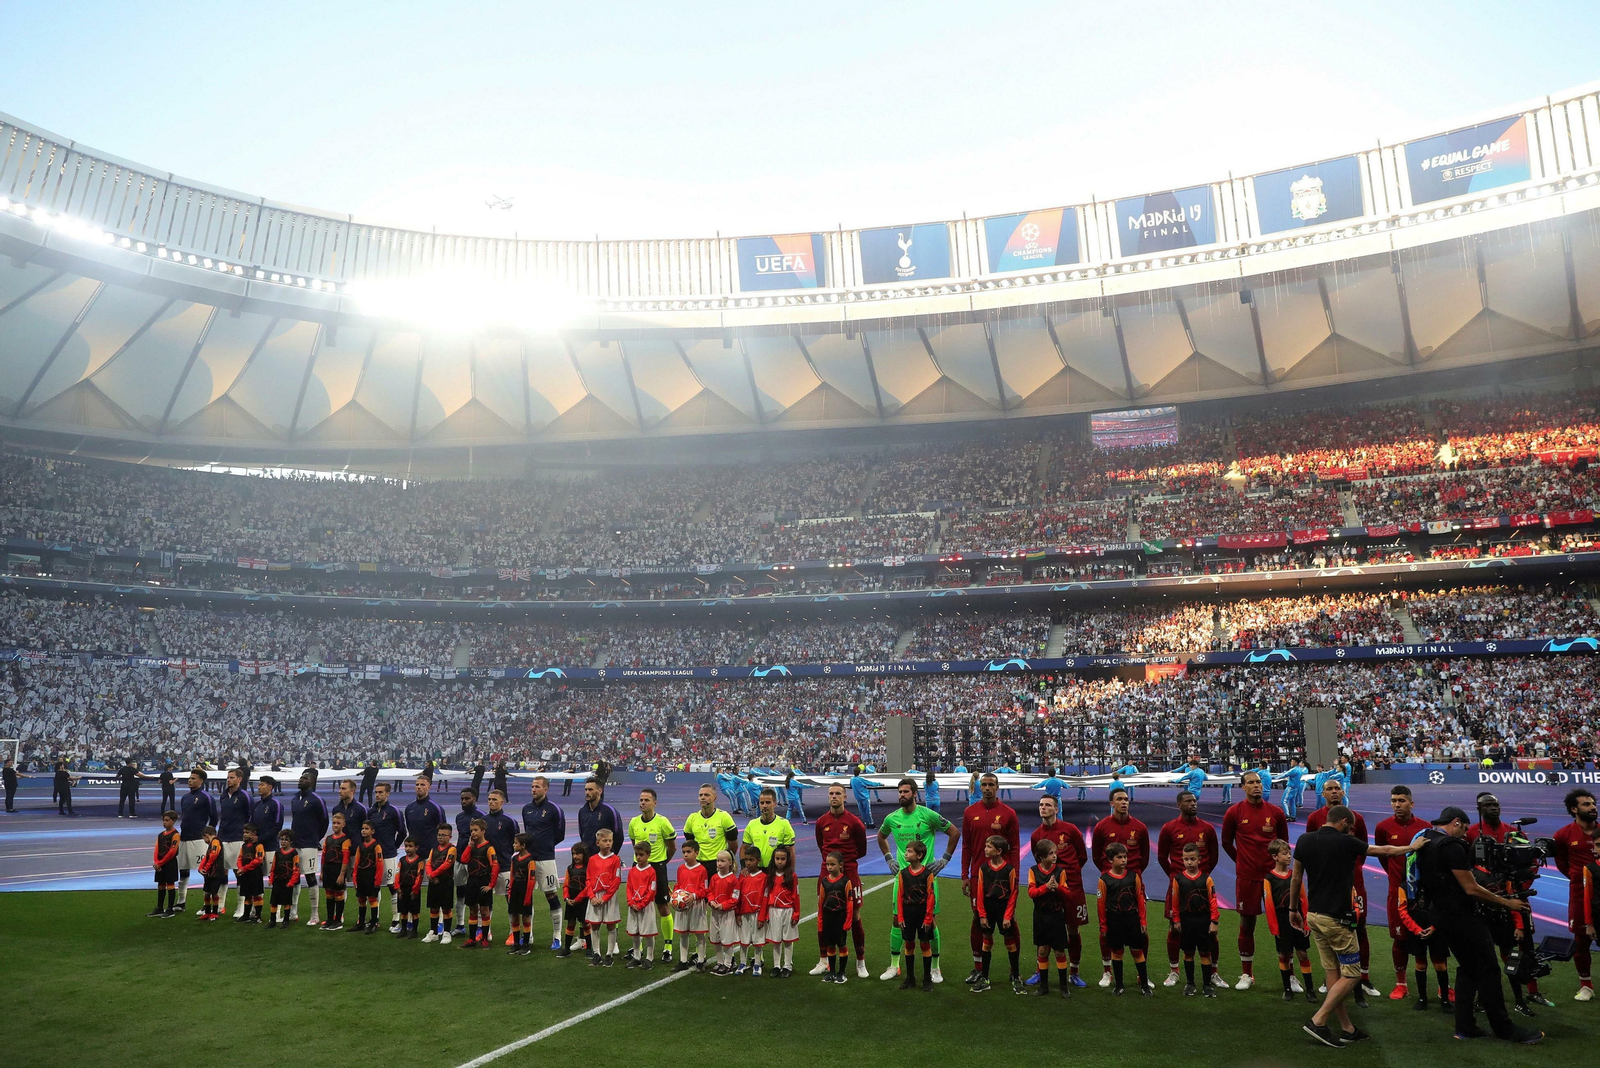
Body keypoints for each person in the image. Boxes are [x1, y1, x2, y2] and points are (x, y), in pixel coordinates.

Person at [1290, 804, 1429, 1048]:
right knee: (1352, 974)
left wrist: (1293, 910)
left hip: (1314, 915)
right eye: (1350, 826)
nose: (1352, 830)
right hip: (1337, 920)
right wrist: (1412, 847)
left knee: (1333, 972)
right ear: (1343, 822)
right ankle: (1319, 1020)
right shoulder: (1347, 841)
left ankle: (1347, 1028)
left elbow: (1296, 877)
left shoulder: (1303, 840)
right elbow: (1384, 850)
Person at [1413, 806, 1543, 1044]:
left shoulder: (1427, 839)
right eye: (1463, 829)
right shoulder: (1451, 846)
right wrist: (1507, 903)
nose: (1464, 835)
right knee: (1489, 969)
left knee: (1468, 969)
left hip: (1439, 913)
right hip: (1461, 916)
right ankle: (1504, 1028)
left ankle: (1465, 1026)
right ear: (1456, 822)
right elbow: (1471, 888)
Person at [1305, 777, 1379, 1003]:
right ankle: (1333, 977)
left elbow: (1363, 849)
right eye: (1330, 789)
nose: (1334, 792)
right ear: (1323, 793)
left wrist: (1351, 869)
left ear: (1343, 792)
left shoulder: (1358, 819)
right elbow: (1310, 849)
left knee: (1359, 927)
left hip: (1354, 882)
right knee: (1329, 930)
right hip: (1326, 884)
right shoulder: (1314, 819)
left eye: (1338, 788)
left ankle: (1362, 978)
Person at [1374, 784, 1448, 1007]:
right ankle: (1401, 984)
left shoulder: (1425, 828)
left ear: (1411, 803)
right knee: (1400, 938)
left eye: (1402, 800)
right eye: (1394, 800)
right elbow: (1383, 857)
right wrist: (1399, 881)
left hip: (1424, 894)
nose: (1397, 804)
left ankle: (1442, 987)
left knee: (1435, 938)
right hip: (1397, 892)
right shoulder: (1383, 827)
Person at [879, 777, 959, 983]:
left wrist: (944, 860)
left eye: (906, 792)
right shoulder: (892, 818)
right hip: (902, 880)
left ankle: (935, 967)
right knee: (897, 921)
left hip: (926, 879)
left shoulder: (928, 815)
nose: (902, 795)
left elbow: (954, 832)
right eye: (899, 792)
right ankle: (894, 966)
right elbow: (881, 836)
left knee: (930, 923)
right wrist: (889, 859)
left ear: (915, 794)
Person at [1220, 770, 1286, 991]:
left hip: (1273, 878)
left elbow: (1283, 844)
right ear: (1243, 787)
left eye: (1258, 782)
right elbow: (1227, 842)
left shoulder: (1275, 813)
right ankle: (1247, 974)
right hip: (1247, 877)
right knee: (1247, 923)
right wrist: (1241, 862)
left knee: (1284, 925)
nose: (1256, 785)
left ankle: (1290, 975)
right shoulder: (1234, 812)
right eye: (1251, 782)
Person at [1158, 789, 1221, 988]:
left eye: (1194, 800)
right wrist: (1176, 877)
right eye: (1188, 801)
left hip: (1202, 888)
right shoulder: (1169, 828)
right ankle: (1174, 970)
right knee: (1174, 928)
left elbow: (1213, 856)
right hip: (1178, 887)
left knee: (1210, 930)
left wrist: (1201, 879)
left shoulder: (1207, 828)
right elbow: (1162, 857)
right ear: (1179, 805)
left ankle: (1213, 972)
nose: (1193, 804)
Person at [1027, 794, 1088, 988]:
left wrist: (1070, 876)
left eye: (1047, 805)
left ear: (1056, 809)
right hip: (1047, 889)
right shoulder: (1036, 835)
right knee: (1044, 929)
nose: (1043, 808)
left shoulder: (1070, 830)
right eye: (1040, 804)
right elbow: (1037, 862)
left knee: (1072, 929)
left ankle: (1074, 972)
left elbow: (1082, 856)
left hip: (1071, 888)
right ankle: (1040, 970)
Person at [1092, 786, 1149, 988]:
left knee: (1142, 928)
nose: (1124, 802)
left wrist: (1132, 877)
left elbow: (1144, 858)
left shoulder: (1140, 827)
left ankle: (1143, 975)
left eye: (1126, 799)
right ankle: (1107, 971)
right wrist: (1110, 876)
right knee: (1106, 929)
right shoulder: (1102, 827)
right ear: (1111, 803)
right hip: (1110, 886)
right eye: (1119, 799)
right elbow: (1097, 857)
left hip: (1133, 884)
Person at [812, 783, 869, 978]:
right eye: (831, 794)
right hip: (826, 874)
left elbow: (862, 850)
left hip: (850, 873)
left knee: (854, 917)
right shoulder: (821, 822)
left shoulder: (854, 823)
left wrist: (845, 864)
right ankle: (823, 961)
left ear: (845, 797)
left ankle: (860, 962)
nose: (834, 796)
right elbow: (822, 846)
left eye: (838, 793)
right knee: (824, 915)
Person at [1553, 787, 1597, 1001]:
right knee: (1581, 940)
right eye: (1586, 804)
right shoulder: (1563, 835)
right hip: (1580, 895)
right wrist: (1577, 877)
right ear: (1574, 809)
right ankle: (1586, 985)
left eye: (1593, 803)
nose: (1593, 807)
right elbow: (1561, 862)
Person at [1263, 838, 1316, 1003]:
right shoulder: (1269, 879)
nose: (1288, 857)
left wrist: (1306, 922)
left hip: (1298, 918)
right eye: (1284, 854)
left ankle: (1310, 989)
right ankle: (1287, 988)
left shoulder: (1295, 875)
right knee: (1284, 954)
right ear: (1275, 857)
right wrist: (1275, 928)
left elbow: (1304, 899)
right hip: (1281, 920)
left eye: (1289, 853)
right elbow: (1269, 904)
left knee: (1302, 953)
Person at [628, 787, 678, 961]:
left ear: (655, 803)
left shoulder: (663, 822)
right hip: (638, 869)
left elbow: (672, 847)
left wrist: (662, 863)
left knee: (663, 906)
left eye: (646, 800)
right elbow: (636, 846)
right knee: (637, 905)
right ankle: (638, 947)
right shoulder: (634, 822)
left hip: (657, 867)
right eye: (641, 800)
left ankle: (668, 946)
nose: (642, 803)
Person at [1097, 842, 1151, 996]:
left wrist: (1143, 921)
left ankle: (1145, 984)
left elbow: (1140, 900)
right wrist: (1103, 926)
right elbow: (1101, 905)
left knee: (1137, 950)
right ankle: (1119, 985)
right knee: (1117, 951)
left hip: (1132, 919)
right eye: (1119, 857)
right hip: (1114, 920)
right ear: (1110, 860)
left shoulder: (1134, 877)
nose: (1123, 860)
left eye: (1125, 857)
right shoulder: (1104, 880)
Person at [518, 775, 566, 949]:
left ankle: (557, 936)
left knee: (551, 896)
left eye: (537, 786)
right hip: (528, 860)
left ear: (545, 789)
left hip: (546, 859)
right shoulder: (527, 809)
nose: (533, 789)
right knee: (526, 898)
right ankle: (528, 934)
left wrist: (546, 846)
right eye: (532, 786)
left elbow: (560, 834)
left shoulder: (554, 809)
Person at [1172, 842, 1220, 997]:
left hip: (1203, 921)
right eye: (1186, 859)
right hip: (1186, 921)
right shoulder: (1178, 879)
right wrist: (1177, 920)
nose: (1189, 862)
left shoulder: (1207, 879)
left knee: (1205, 953)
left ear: (1199, 860)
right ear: (1182, 860)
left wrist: (1214, 921)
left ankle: (1207, 985)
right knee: (1188, 953)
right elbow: (1175, 902)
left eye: (1192, 859)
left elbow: (1213, 901)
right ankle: (1190, 984)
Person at [1026, 838, 1073, 998]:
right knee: (1043, 950)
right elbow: (1031, 893)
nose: (1054, 856)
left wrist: (1058, 887)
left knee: (1059, 951)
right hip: (1040, 916)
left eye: (1055, 853)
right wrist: (1046, 888)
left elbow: (1068, 894)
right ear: (1041, 857)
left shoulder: (1060, 872)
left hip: (1056, 916)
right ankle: (1044, 986)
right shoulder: (1033, 871)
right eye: (1051, 853)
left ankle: (1064, 986)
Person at [401, 777, 445, 933]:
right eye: (417, 785)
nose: (419, 787)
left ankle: (439, 922)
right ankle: (412, 921)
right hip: (414, 857)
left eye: (422, 785)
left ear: (429, 787)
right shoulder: (409, 808)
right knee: (412, 889)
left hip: (432, 855)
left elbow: (443, 832)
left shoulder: (435, 808)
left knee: (435, 890)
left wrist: (439, 854)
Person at [894, 840, 938, 992]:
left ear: (919, 856)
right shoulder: (903, 873)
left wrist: (928, 918)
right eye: (906, 851)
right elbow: (899, 896)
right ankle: (910, 977)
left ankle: (927, 978)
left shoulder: (927, 874)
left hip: (922, 913)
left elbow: (931, 897)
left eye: (909, 851)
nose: (906, 853)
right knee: (909, 944)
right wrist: (900, 917)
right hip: (908, 913)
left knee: (924, 944)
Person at [288, 770, 328, 924]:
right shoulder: (294, 799)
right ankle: (293, 911)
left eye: (304, 778)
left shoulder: (317, 800)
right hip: (295, 843)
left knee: (310, 877)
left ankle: (315, 914)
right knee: (294, 877)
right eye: (300, 777)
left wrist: (315, 838)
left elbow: (324, 821)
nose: (301, 779)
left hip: (309, 844)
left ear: (311, 781)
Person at [365, 781, 404, 932]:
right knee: (374, 886)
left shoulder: (394, 811)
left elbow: (402, 832)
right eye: (376, 792)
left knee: (392, 886)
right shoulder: (371, 811)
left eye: (381, 792)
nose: (377, 795)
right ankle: (375, 918)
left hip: (388, 855)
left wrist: (393, 847)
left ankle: (396, 918)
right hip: (373, 855)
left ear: (388, 793)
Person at [483, 789, 519, 945]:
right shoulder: (482, 820)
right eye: (489, 799)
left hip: (504, 866)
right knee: (484, 900)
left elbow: (515, 843)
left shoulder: (509, 821)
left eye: (494, 799)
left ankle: (513, 932)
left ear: (502, 802)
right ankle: (485, 931)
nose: (491, 802)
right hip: (486, 867)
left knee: (510, 900)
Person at [584, 827, 623, 965]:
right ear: (597, 843)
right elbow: (588, 879)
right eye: (605, 840)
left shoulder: (615, 860)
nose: (608, 843)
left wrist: (605, 898)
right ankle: (596, 953)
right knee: (594, 926)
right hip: (595, 896)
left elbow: (616, 880)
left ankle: (609, 954)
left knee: (611, 925)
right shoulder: (593, 859)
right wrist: (592, 896)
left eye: (610, 841)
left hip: (609, 897)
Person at [459, 817, 500, 949]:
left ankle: (484, 938)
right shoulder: (472, 846)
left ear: (483, 831)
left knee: (484, 910)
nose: (473, 833)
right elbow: (464, 859)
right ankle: (471, 939)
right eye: (471, 830)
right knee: (472, 910)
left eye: (476, 830)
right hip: (472, 881)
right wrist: (469, 846)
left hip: (483, 881)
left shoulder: (489, 848)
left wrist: (491, 885)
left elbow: (495, 866)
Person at [215, 769, 251, 918]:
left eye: (231, 777)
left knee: (239, 872)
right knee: (221, 872)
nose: (228, 780)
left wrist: (246, 836)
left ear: (239, 779)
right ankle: (220, 905)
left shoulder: (245, 796)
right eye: (227, 777)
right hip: (223, 837)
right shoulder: (224, 795)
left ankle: (241, 905)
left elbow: (250, 816)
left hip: (238, 838)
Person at [761, 843, 800, 977]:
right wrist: (764, 914)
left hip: (788, 911)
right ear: (774, 859)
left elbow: (796, 895)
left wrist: (796, 914)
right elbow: (766, 896)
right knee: (775, 940)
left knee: (788, 940)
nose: (780, 861)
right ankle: (776, 966)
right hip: (774, 911)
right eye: (777, 859)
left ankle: (787, 965)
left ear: (787, 860)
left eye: (782, 859)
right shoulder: (770, 876)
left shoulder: (792, 876)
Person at [671, 839, 710, 971]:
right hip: (683, 907)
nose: (686, 855)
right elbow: (678, 885)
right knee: (683, 933)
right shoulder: (681, 868)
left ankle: (700, 961)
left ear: (696, 853)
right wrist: (675, 896)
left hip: (696, 905)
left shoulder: (702, 870)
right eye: (683, 852)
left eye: (689, 852)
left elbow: (704, 889)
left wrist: (693, 896)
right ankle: (683, 961)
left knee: (699, 934)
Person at [625, 840, 660, 969]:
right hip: (633, 906)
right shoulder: (632, 870)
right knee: (635, 932)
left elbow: (652, 890)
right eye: (636, 855)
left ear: (648, 855)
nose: (638, 857)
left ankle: (649, 957)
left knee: (648, 932)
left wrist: (642, 904)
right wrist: (630, 902)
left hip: (646, 906)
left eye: (641, 854)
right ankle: (637, 956)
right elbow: (629, 887)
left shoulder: (651, 871)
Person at [706, 848, 741, 976]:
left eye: (722, 861)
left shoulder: (733, 880)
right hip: (715, 913)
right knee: (716, 938)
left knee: (727, 939)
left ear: (730, 863)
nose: (719, 863)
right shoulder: (714, 878)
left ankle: (728, 963)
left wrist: (723, 905)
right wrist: (711, 901)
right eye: (717, 861)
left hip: (727, 914)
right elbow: (709, 892)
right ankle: (720, 962)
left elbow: (735, 898)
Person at [743, 787, 796, 869]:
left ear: (775, 803)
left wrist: (791, 873)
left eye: (768, 802)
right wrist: (743, 867)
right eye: (762, 803)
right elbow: (744, 848)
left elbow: (790, 852)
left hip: (776, 871)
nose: (764, 806)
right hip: (758, 872)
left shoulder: (784, 824)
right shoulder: (752, 824)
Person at [317, 811, 354, 930]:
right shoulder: (327, 839)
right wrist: (322, 871)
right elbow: (323, 856)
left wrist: (342, 874)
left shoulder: (345, 840)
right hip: (328, 868)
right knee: (329, 895)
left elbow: (345, 859)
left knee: (338, 895)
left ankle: (338, 920)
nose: (335, 825)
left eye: (338, 823)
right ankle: (329, 919)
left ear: (343, 824)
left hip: (338, 869)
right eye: (334, 823)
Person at [735, 844, 767, 975]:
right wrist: (737, 913)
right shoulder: (742, 876)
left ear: (758, 860)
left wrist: (762, 917)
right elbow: (738, 895)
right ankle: (742, 963)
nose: (748, 863)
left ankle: (757, 964)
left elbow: (765, 898)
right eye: (746, 860)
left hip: (757, 913)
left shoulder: (764, 877)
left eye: (751, 860)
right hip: (744, 913)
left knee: (758, 940)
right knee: (744, 939)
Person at [422, 824, 457, 943]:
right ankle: (433, 932)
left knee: (446, 908)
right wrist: (430, 875)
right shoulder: (434, 849)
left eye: (443, 835)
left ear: (450, 836)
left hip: (446, 882)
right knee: (433, 907)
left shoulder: (452, 849)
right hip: (433, 882)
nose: (440, 837)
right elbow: (428, 863)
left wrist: (433, 874)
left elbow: (447, 864)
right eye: (439, 835)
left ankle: (447, 933)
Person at [555, 841, 589, 957]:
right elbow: (566, 885)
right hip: (571, 900)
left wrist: (579, 898)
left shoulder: (588, 868)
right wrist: (566, 898)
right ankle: (566, 948)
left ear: (584, 854)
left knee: (585, 923)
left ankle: (589, 948)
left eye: (578, 854)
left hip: (583, 901)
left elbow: (588, 886)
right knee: (570, 923)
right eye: (573, 854)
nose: (575, 856)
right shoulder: (570, 868)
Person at [505, 832, 537, 956]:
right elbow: (512, 875)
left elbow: (531, 880)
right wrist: (510, 890)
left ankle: (526, 944)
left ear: (523, 845)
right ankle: (516, 943)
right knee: (514, 916)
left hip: (525, 891)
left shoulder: (530, 860)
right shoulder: (514, 858)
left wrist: (528, 897)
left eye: (516, 843)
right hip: (515, 890)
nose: (513, 845)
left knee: (525, 917)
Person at [576, 778, 623, 858]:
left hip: (605, 858)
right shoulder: (582, 811)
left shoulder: (609, 811)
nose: (587, 792)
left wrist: (611, 855)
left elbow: (618, 836)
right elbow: (582, 834)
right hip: (588, 859)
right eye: (586, 790)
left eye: (590, 790)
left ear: (600, 791)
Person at [351, 820, 384, 934]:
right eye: (362, 829)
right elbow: (356, 863)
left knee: (372, 899)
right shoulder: (360, 846)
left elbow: (379, 865)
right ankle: (361, 922)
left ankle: (374, 923)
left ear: (372, 831)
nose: (364, 831)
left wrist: (377, 881)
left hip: (371, 876)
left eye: (366, 828)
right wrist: (355, 878)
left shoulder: (376, 846)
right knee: (361, 899)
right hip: (361, 876)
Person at [150, 810, 181, 917]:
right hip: (160, 864)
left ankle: (170, 908)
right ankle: (159, 907)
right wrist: (156, 862)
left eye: (167, 820)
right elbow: (156, 849)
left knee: (170, 884)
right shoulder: (160, 835)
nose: (164, 822)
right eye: (163, 820)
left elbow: (172, 851)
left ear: (173, 821)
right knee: (161, 884)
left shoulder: (175, 834)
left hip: (169, 863)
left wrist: (161, 863)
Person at [267, 830, 299, 929]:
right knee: (274, 901)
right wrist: (271, 879)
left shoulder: (294, 853)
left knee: (287, 902)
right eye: (282, 839)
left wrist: (291, 882)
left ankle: (286, 920)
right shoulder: (277, 852)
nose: (283, 842)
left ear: (291, 841)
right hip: (277, 880)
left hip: (287, 881)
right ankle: (272, 920)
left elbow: (296, 869)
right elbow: (273, 867)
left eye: (286, 840)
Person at [394, 836, 424, 939]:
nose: (407, 848)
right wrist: (397, 887)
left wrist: (415, 890)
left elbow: (419, 876)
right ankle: (403, 929)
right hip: (402, 889)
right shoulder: (402, 860)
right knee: (403, 910)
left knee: (414, 911)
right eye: (406, 846)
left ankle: (414, 930)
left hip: (413, 890)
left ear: (416, 847)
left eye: (410, 846)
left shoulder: (420, 861)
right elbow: (397, 874)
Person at [234, 823, 265, 924]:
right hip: (245, 874)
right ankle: (246, 915)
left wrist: (244, 868)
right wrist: (240, 868)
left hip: (255, 873)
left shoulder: (259, 846)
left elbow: (258, 860)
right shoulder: (244, 846)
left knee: (257, 894)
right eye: (244, 832)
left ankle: (258, 916)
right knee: (247, 894)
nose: (245, 835)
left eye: (247, 832)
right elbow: (240, 858)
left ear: (254, 833)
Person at [196, 825, 225, 921]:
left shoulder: (216, 841)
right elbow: (207, 856)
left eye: (204, 838)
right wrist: (201, 868)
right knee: (207, 892)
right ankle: (208, 912)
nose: (204, 841)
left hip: (215, 872)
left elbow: (213, 855)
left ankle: (215, 912)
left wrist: (206, 867)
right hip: (210, 872)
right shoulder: (212, 843)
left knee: (214, 892)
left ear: (206, 835)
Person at [331, 779, 367, 855]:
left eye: (343, 789)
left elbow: (366, 831)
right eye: (340, 788)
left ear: (352, 791)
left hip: (355, 852)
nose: (339, 791)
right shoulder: (336, 809)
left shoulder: (360, 809)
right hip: (339, 851)